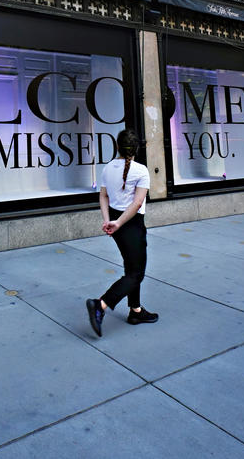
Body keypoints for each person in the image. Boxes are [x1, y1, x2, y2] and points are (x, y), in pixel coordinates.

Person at [86, 128, 158, 337]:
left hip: (118, 223)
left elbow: (103, 197)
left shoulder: (108, 168)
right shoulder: (141, 170)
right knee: (137, 274)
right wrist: (117, 223)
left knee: (131, 268)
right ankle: (101, 304)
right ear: (136, 148)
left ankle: (135, 311)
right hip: (131, 224)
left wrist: (108, 220)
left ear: (117, 146)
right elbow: (137, 204)